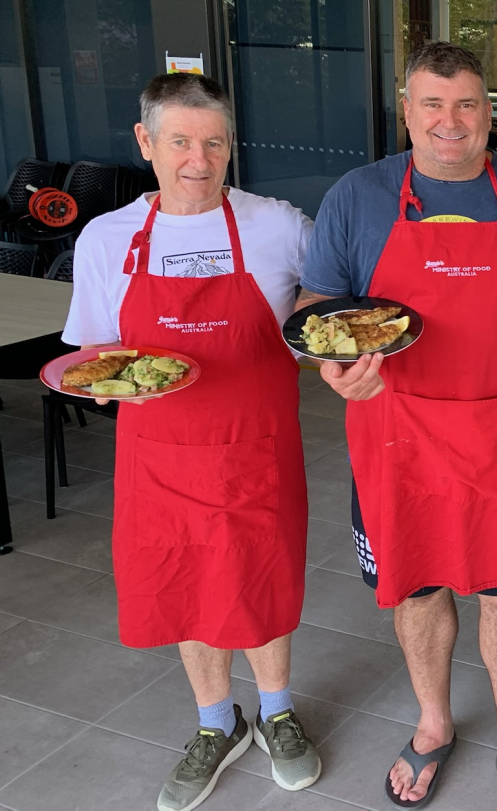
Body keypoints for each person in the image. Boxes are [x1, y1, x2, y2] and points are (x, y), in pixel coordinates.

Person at [297, 42, 497, 811]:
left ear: (488, 115)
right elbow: (316, 304)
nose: (449, 121)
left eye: (466, 103)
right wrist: (332, 366)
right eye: (431, 104)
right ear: (406, 111)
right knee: (419, 587)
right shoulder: (358, 195)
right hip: (394, 431)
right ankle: (434, 723)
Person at [62, 73, 320, 811]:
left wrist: (326, 331)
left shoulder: (277, 224)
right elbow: (95, 356)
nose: (198, 161)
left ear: (230, 146)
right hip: (160, 455)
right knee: (184, 583)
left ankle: (277, 712)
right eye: (180, 142)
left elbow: (334, 292)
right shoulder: (108, 238)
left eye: (213, 143)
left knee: (261, 577)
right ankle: (217, 723)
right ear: (146, 143)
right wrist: (103, 385)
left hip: (256, 447)